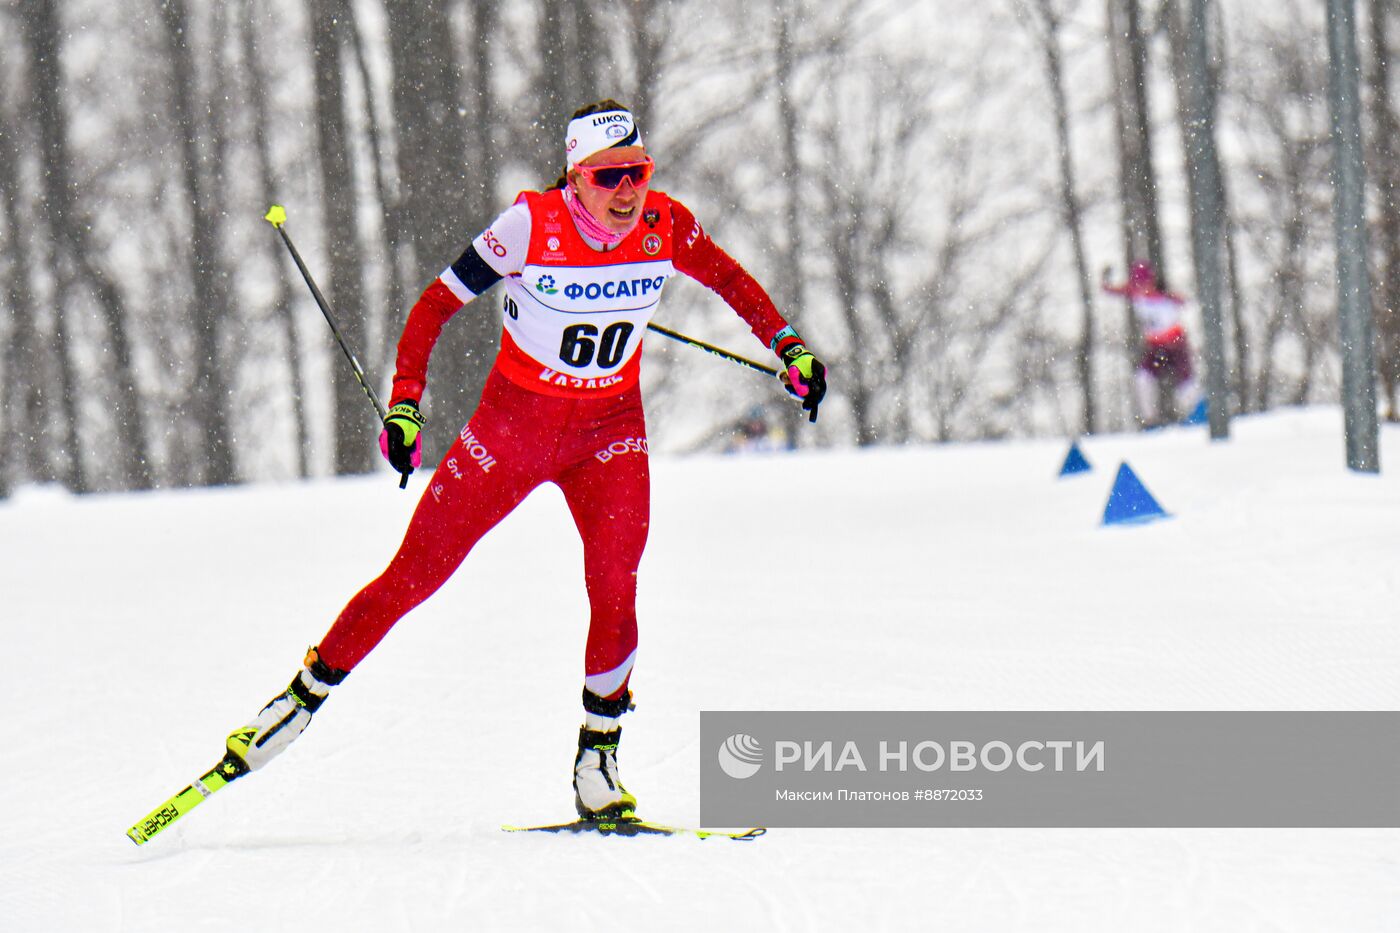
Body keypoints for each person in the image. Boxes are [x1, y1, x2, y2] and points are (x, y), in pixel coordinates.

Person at [224, 100, 827, 821]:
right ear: (576, 177)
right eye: (609, 178)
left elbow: (731, 280)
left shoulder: (666, 225)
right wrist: (408, 404)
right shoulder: (529, 227)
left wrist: (788, 345)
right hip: (512, 430)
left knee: (615, 584)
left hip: (609, 433)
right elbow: (432, 309)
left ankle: (598, 760)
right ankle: (298, 701)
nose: (628, 191)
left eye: (638, 172)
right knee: (416, 574)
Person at [1103, 260, 1199, 427]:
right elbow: (1115, 291)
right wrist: (1105, 281)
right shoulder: (1135, 293)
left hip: (1176, 345)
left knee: (1186, 386)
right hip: (1157, 348)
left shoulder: (1164, 297)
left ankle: (1196, 416)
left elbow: (1185, 301)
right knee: (1143, 379)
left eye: (1145, 283)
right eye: (1138, 284)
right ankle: (1150, 421)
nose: (1143, 288)